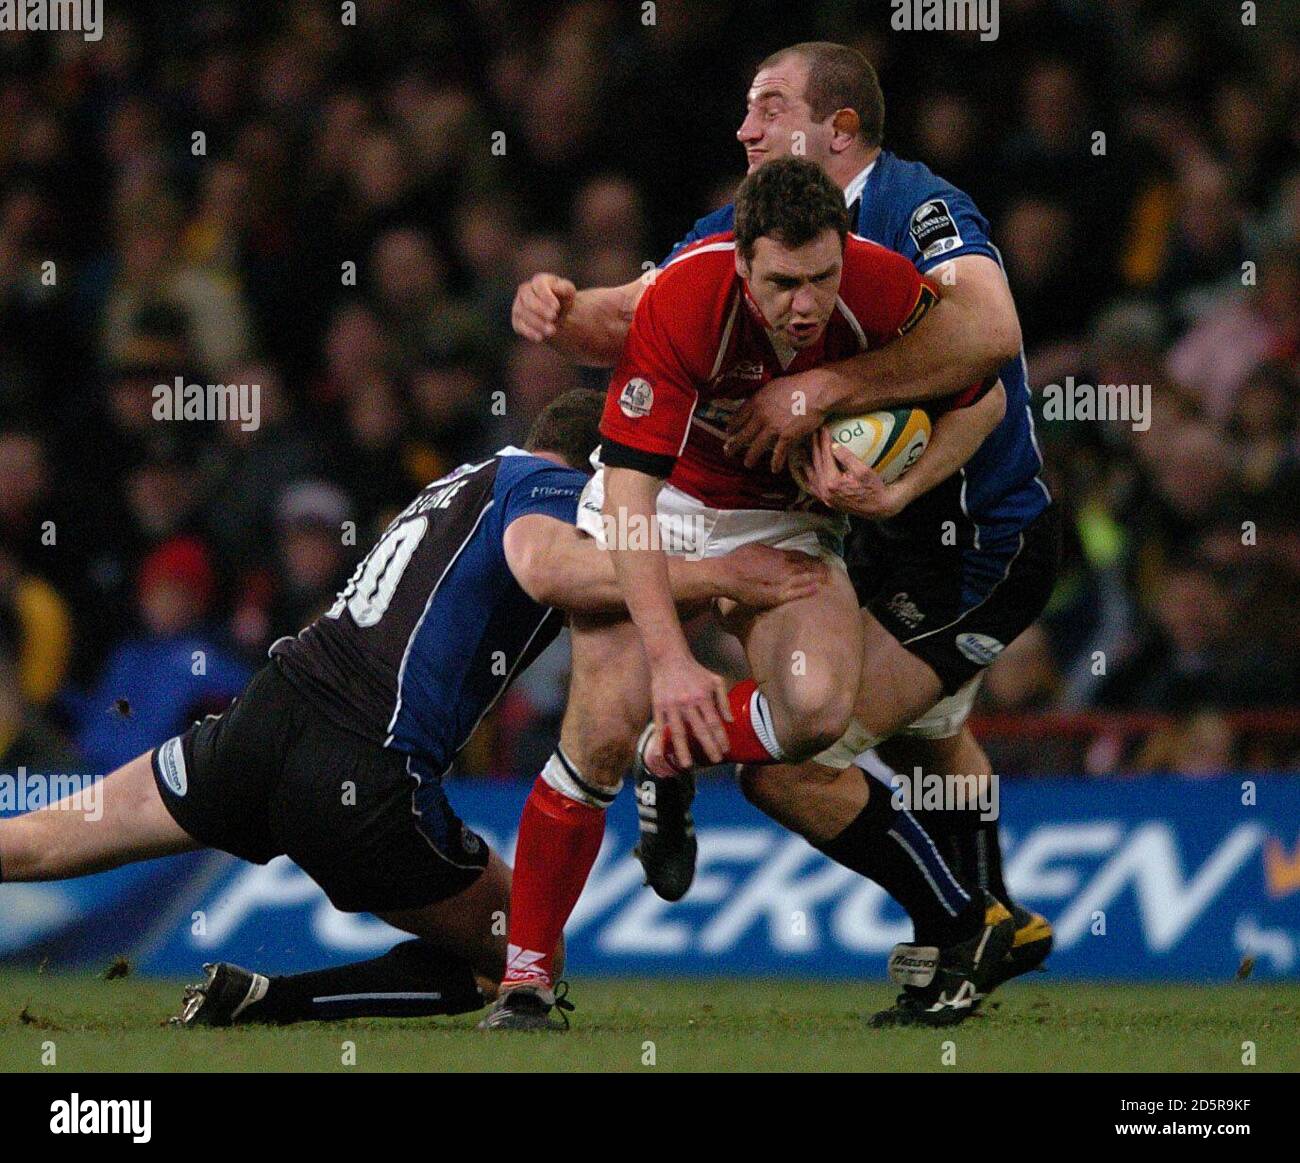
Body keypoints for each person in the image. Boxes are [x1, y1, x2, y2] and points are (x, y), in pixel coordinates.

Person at [510, 42, 1061, 1025]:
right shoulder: (744, 228)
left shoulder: (910, 212)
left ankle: (953, 925)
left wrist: (824, 392)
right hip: (860, 529)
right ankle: (977, 929)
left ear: (837, 128)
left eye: (768, 107)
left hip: (971, 537)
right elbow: (645, 313)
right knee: (935, 735)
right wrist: (562, 309)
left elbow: (987, 338)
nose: (744, 127)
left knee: (790, 756)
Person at [0, 390, 823, 1027]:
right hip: (364, 763)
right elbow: (550, 570)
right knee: (523, 952)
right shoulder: (554, 484)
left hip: (265, 717)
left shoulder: (460, 482)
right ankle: (269, 1002)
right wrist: (725, 575)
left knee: (32, 845)